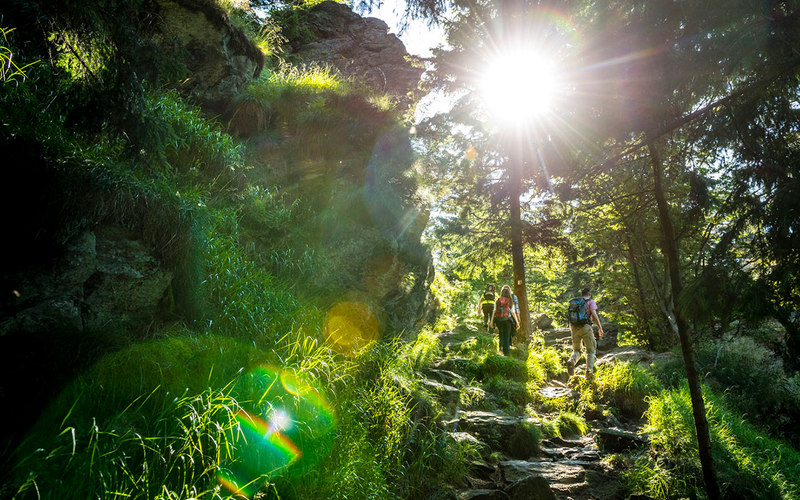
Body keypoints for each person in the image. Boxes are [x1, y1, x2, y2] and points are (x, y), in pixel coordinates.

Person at [566, 287, 604, 380]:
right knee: (591, 350)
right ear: (589, 294)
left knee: (577, 350)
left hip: (575, 328)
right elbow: (594, 315)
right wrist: (600, 328)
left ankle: (572, 361)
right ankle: (589, 372)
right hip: (586, 327)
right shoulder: (590, 302)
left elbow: (570, 318)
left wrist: (572, 329)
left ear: (582, 294)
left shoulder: (575, 303)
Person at [490, 285, 520, 356]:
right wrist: (517, 322)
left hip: (498, 320)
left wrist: (491, 322)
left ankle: (500, 348)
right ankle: (506, 353)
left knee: (501, 333)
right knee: (506, 335)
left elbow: (494, 311)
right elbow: (513, 312)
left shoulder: (497, 300)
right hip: (506, 320)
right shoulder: (510, 300)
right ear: (509, 293)